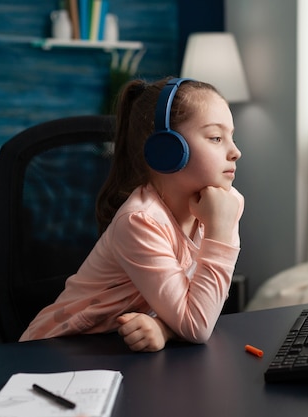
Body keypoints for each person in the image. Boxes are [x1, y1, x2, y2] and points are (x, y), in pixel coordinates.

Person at [20, 77, 244, 352]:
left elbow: (204, 307)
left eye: (231, 137)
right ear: (167, 149)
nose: (235, 152)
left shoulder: (225, 204)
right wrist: (219, 232)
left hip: (117, 353)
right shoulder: (141, 221)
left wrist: (165, 328)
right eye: (216, 138)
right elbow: (197, 326)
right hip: (57, 353)